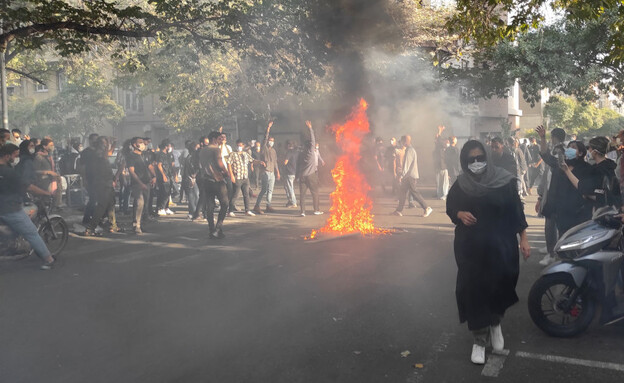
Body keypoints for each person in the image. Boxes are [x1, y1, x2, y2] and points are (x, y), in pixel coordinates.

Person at [446, 140, 530, 365]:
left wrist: (523, 238)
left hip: (500, 245)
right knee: (473, 289)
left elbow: (516, 210)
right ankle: (479, 340)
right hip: (471, 247)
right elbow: (450, 206)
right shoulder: (461, 183)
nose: (476, 163)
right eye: (471, 160)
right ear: (465, 161)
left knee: (499, 285)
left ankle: (495, 324)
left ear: (487, 158)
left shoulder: (504, 180)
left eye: (480, 158)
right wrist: (460, 213)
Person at [0, 144, 55, 269]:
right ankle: (49, 259)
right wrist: (46, 193)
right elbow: (28, 187)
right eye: (15, 155)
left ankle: (11, 243)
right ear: (8, 156)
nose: (16, 158)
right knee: (31, 233)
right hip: (10, 209)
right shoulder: (9, 172)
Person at [561, 136, 622, 210]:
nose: (588, 150)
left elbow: (583, 187)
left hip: (600, 211)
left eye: (590, 148)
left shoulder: (598, 170)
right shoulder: (612, 165)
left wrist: (566, 170)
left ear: (595, 152)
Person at [535, 126, 567, 265]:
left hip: (555, 194)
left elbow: (545, 156)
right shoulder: (560, 150)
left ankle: (552, 253)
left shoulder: (559, 151)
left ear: (554, 137)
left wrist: (542, 138)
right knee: (552, 224)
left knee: (551, 224)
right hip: (553, 192)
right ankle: (552, 249)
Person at [82, 137, 118, 236]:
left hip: (107, 181)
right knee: (102, 205)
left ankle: (113, 225)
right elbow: (101, 164)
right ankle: (90, 228)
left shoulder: (101, 153)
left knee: (110, 203)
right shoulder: (97, 154)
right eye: (105, 143)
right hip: (102, 183)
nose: (106, 145)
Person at [199, 131, 230, 238]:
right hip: (217, 180)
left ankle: (211, 229)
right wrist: (227, 173)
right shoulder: (215, 149)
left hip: (206, 180)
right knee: (225, 204)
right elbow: (220, 163)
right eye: (218, 139)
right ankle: (217, 228)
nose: (220, 141)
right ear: (213, 139)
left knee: (210, 206)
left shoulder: (202, 150)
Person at [392, 135, 432, 217]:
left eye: (402, 141)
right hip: (408, 176)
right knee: (402, 193)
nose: (402, 143)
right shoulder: (410, 150)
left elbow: (406, 165)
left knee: (414, 193)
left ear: (405, 141)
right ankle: (398, 211)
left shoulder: (410, 150)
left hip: (410, 176)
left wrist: (401, 176)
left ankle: (426, 207)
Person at [227, 139, 263, 217]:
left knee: (246, 194)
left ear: (243, 146)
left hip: (245, 177)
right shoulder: (232, 154)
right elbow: (229, 164)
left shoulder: (245, 154)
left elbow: (252, 160)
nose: (239, 147)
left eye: (240, 145)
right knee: (235, 195)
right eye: (238, 145)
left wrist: (259, 162)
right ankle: (230, 211)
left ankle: (247, 210)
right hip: (237, 177)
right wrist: (231, 175)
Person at [126, 137, 155, 235]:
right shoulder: (131, 156)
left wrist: (154, 176)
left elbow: (150, 166)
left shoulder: (144, 155)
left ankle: (140, 223)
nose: (143, 144)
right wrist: (140, 183)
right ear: (135, 145)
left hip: (146, 182)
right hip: (137, 184)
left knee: (145, 204)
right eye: (141, 143)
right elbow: (131, 171)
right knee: (139, 203)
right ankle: (136, 225)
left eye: (143, 142)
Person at [253, 121, 280, 214]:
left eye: (272, 141)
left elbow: (275, 162)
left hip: (272, 172)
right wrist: (268, 128)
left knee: (270, 190)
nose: (271, 142)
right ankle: (257, 206)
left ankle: (268, 205)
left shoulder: (273, 151)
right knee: (264, 190)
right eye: (270, 140)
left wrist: (278, 172)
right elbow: (264, 138)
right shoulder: (264, 148)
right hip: (265, 172)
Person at [298, 120, 322, 217]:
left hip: (302, 176)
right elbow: (313, 140)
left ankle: (302, 212)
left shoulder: (302, 153)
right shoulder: (312, 152)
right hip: (311, 175)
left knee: (302, 195)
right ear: (311, 146)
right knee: (315, 193)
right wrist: (310, 129)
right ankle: (316, 210)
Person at [33, 138, 62, 207]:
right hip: (44, 182)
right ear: (44, 146)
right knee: (47, 200)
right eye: (50, 145)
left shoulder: (49, 156)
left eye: (53, 145)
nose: (52, 147)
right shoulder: (39, 157)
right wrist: (47, 172)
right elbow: (34, 171)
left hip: (52, 180)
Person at [79, 133, 100, 225]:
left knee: (98, 199)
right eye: (94, 140)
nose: (96, 142)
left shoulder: (99, 151)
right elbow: (82, 167)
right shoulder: (85, 152)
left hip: (99, 178)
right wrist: (84, 179)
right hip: (90, 178)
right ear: (90, 140)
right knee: (93, 199)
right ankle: (87, 218)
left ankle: (94, 217)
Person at [156, 139, 175, 216]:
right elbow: (159, 165)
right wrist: (163, 175)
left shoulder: (168, 155)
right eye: (169, 146)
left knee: (168, 193)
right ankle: (160, 208)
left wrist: (174, 174)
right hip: (163, 176)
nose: (170, 147)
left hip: (169, 175)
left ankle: (166, 207)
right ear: (166, 146)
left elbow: (172, 165)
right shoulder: (160, 154)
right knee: (163, 192)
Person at [434, 126, 450, 200]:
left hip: (444, 167)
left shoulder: (447, 147)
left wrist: (440, 131)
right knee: (439, 183)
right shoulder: (439, 147)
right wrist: (439, 132)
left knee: (444, 183)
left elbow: (439, 140)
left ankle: (444, 195)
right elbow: (438, 141)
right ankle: (439, 194)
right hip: (439, 167)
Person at [283, 140, 298, 208]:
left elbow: (285, 162)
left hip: (289, 172)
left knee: (290, 188)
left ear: (288, 145)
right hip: (293, 172)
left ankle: (293, 202)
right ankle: (290, 201)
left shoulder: (288, 152)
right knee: (287, 187)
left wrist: (280, 160)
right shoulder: (295, 152)